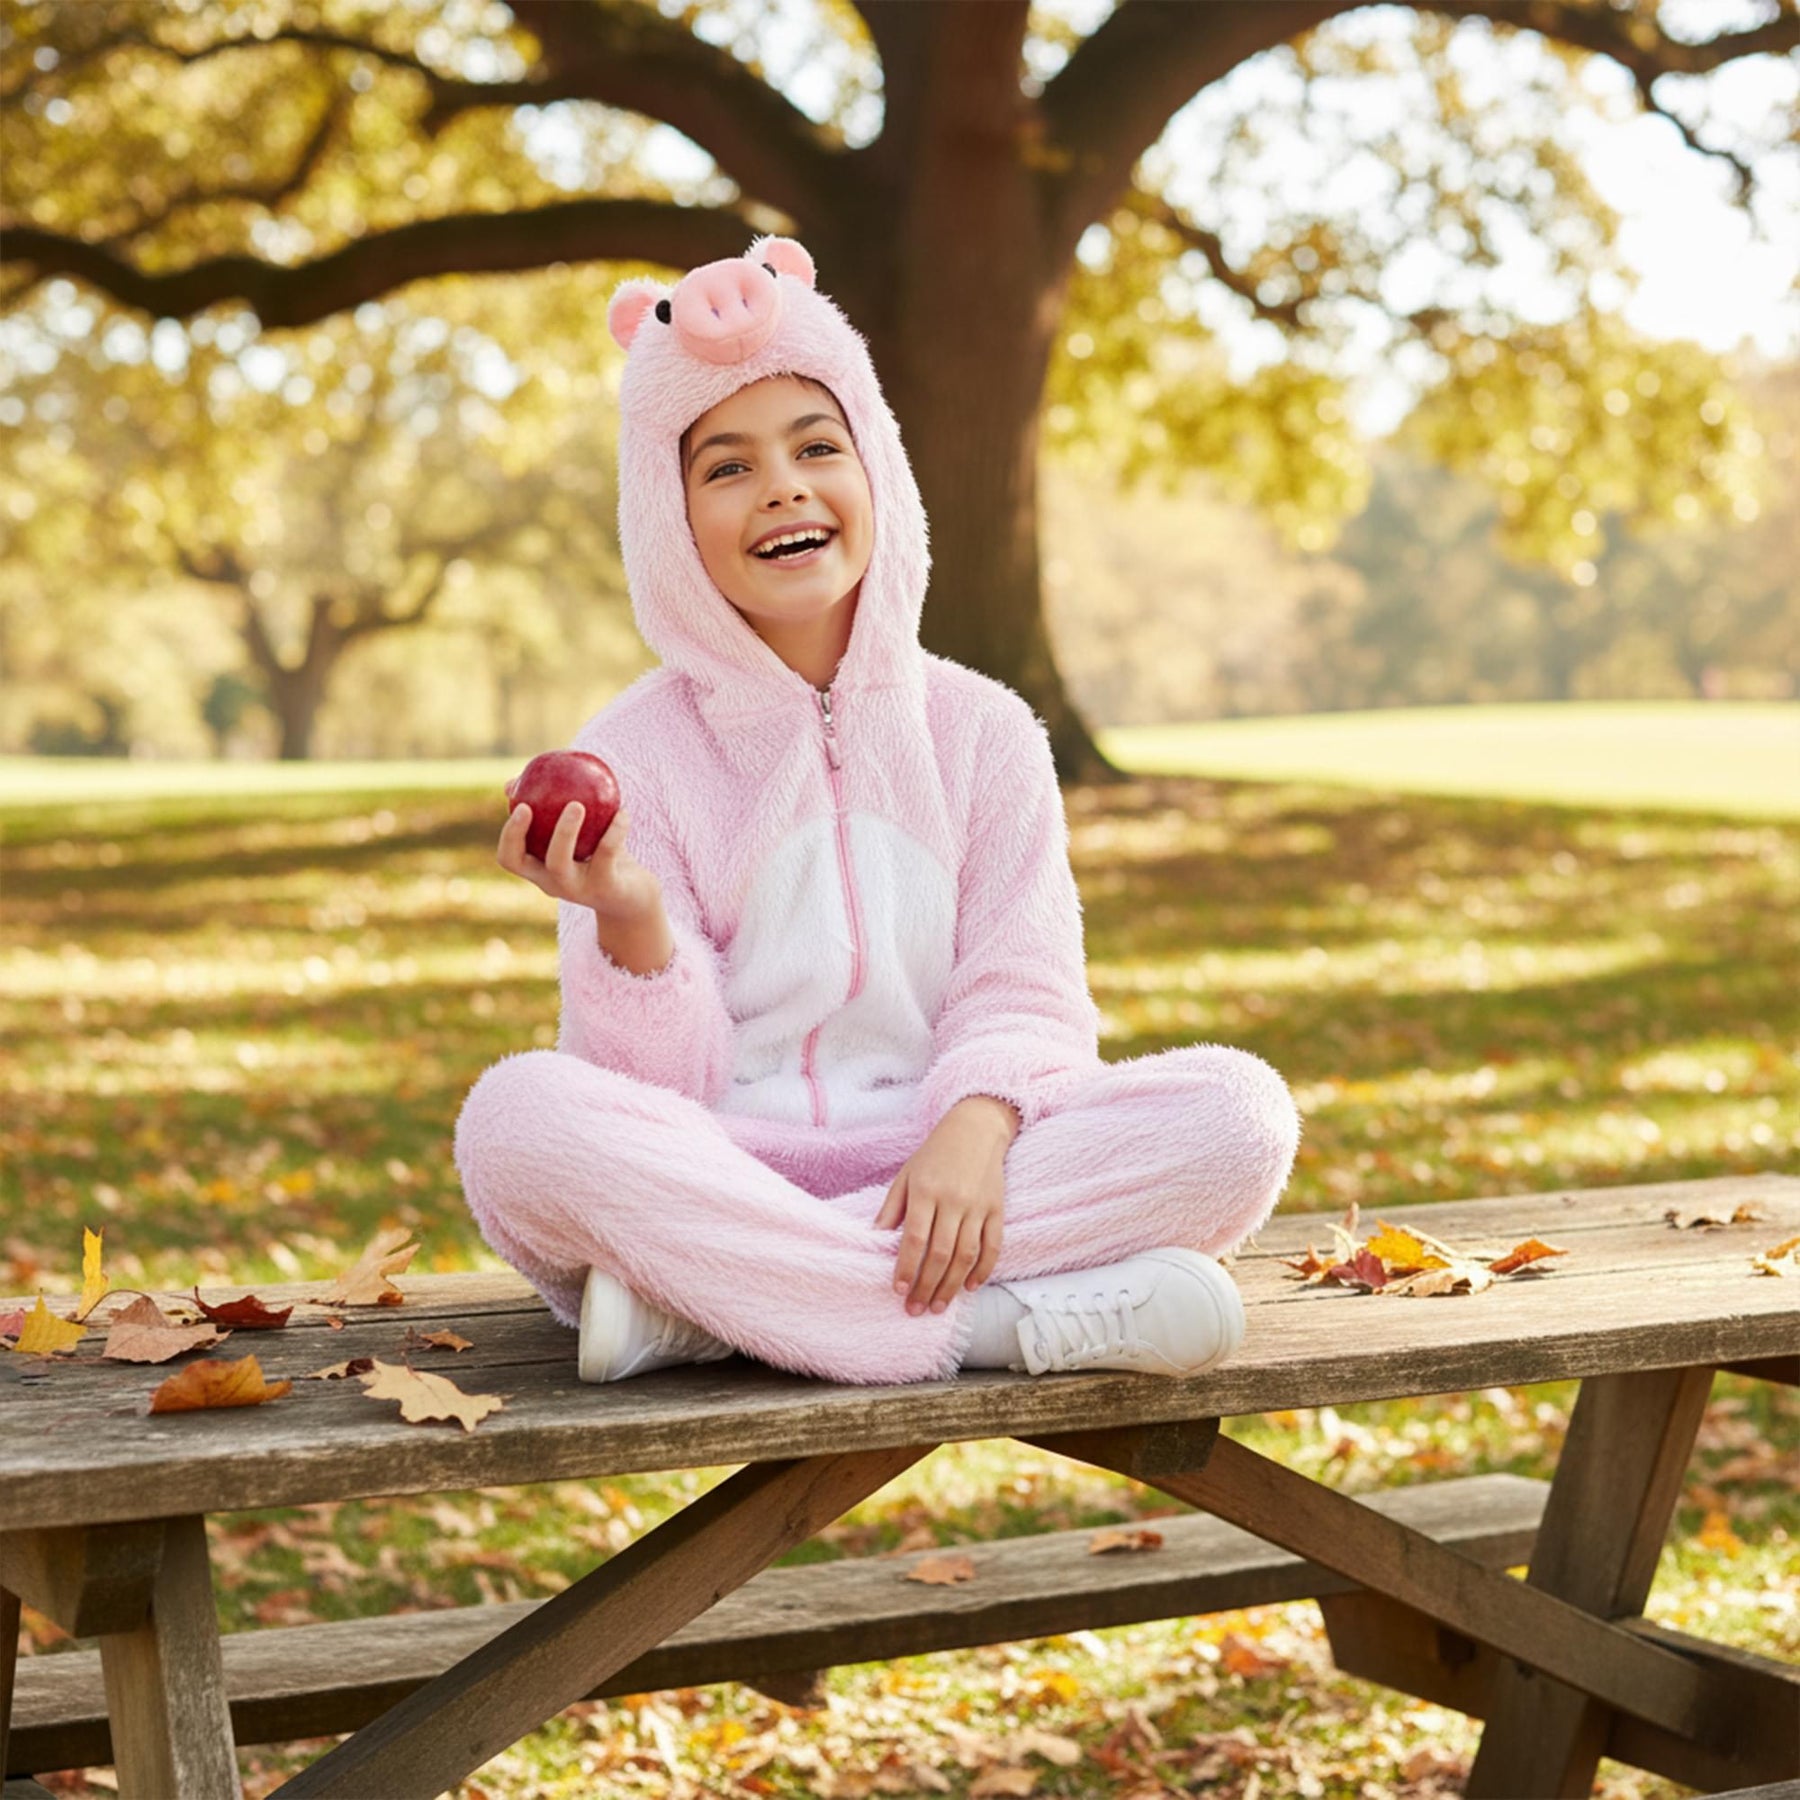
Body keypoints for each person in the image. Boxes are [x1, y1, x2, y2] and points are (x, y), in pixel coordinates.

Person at [452, 237, 1300, 1386]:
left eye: (816, 447)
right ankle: (988, 1324)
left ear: (876, 472)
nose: (785, 487)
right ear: (669, 515)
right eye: (727, 467)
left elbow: (1025, 986)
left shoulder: (986, 731)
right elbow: (652, 1096)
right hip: (722, 1168)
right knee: (516, 1121)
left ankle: (715, 1310)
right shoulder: (629, 756)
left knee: (1239, 1116)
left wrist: (977, 1124)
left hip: (950, 1167)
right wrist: (632, 918)